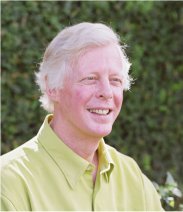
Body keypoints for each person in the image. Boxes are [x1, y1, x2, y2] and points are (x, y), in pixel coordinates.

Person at [1, 22, 164, 211]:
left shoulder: (132, 176)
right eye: (90, 79)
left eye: (115, 80)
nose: (107, 92)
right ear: (52, 87)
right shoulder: (9, 183)